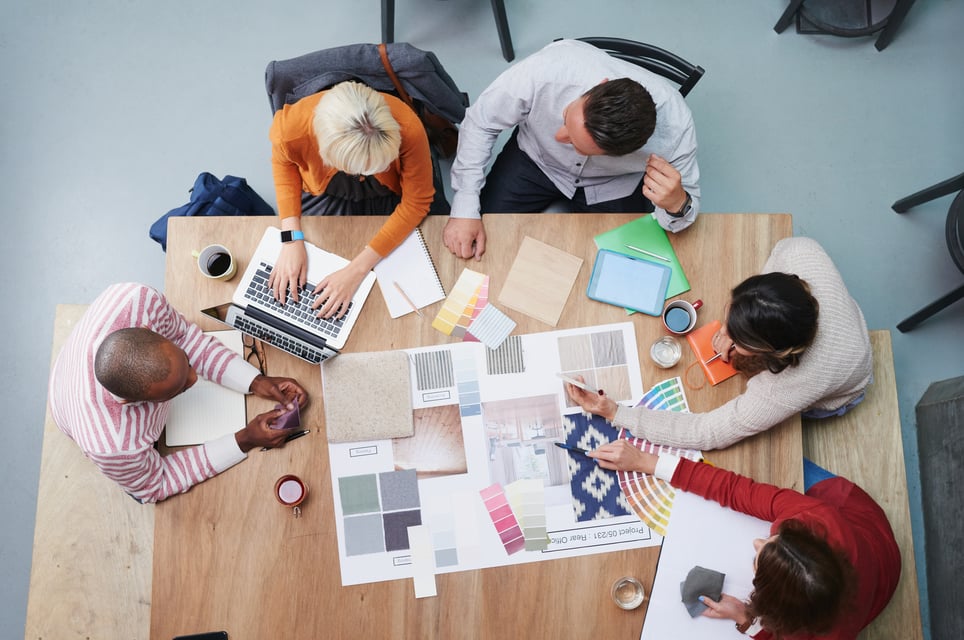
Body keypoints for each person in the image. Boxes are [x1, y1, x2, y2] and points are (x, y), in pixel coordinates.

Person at [566, 237, 872, 450]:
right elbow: (781, 252)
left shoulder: (788, 387)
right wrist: (744, 324)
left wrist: (616, 413)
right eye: (729, 316)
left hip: (841, 391)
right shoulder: (801, 252)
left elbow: (707, 432)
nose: (722, 332)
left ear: (771, 353)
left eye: (736, 338)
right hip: (845, 334)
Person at [587, 444, 900, 639]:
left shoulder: (822, 635)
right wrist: (647, 462)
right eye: (771, 540)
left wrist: (747, 620)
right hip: (871, 533)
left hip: (874, 585)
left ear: (779, 609)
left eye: (759, 560)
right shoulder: (811, 516)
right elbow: (735, 489)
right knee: (783, 449)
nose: (756, 542)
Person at [48, 283, 309, 503]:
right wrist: (246, 439)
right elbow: (156, 484)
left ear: (149, 330)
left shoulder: (138, 299)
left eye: (187, 363)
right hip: (69, 407)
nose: (195, 379)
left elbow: (183, 335)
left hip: (77, 360)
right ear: (133, 403)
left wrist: (255, 380)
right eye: (180, 389)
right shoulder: (114, 446)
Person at [443, 38, 701, 260]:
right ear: (598, 85)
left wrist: (677, 204)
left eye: (577, 145)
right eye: (566, 117)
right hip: (534, 160)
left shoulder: (677, 130)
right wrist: (464, 207)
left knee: (623, 263)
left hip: (612, 185)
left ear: (623, 153)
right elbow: (480, 122)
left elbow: (684, 212)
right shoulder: (547, 70)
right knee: (481, 238)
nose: (558, 135)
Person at [268, 80, 434, 318]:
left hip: (387, 191)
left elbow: (417, 202)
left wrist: (356, 270)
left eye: (381, 163)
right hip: (323, 188)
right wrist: (291, 238)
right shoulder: (289, 129)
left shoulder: (407, 126)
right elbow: (283, 163)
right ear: (326, 152)